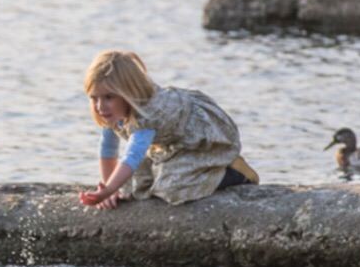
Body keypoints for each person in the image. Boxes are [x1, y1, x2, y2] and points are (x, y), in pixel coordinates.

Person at [79, 50, 258, 210]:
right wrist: (108, 190)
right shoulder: (112, 112)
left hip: (203, 140)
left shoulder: (148, 115)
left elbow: (131, 157)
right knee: (132, 187)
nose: (100, 106)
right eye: (94, 98)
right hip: (172, 141)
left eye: (109, 97)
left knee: (172, 188)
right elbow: (108, 150)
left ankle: (234, 172)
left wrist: (109, 189)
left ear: (128, 94)